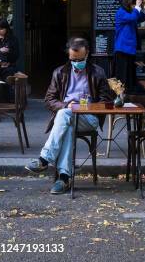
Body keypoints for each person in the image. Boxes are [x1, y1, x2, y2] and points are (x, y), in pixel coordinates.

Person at [25, 37, 113, 194]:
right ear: (69, 56)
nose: (76, 63)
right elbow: (49, 100)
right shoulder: (60, 72)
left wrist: (86, 107)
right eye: (73, 59)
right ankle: (64, 178)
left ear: (87, 55)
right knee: (67, 120)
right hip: (67, 118)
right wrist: (67, 106)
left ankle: (45, 159)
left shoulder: (98, 72)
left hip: (89, 118)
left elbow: (106, 101)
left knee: (65, 114)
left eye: (80, 59)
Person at [114, 0, 145, 92]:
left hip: (130, 49)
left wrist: (143, 7)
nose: (136, 8)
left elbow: (141, 18)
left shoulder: (132, 12)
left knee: (130, 76)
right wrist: (137, 7)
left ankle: (129, 97)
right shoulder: (121, 12)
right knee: (122, 77)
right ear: (130, 4)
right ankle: (120, 97)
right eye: (135, 5)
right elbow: (133, 17)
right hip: (122, 49)